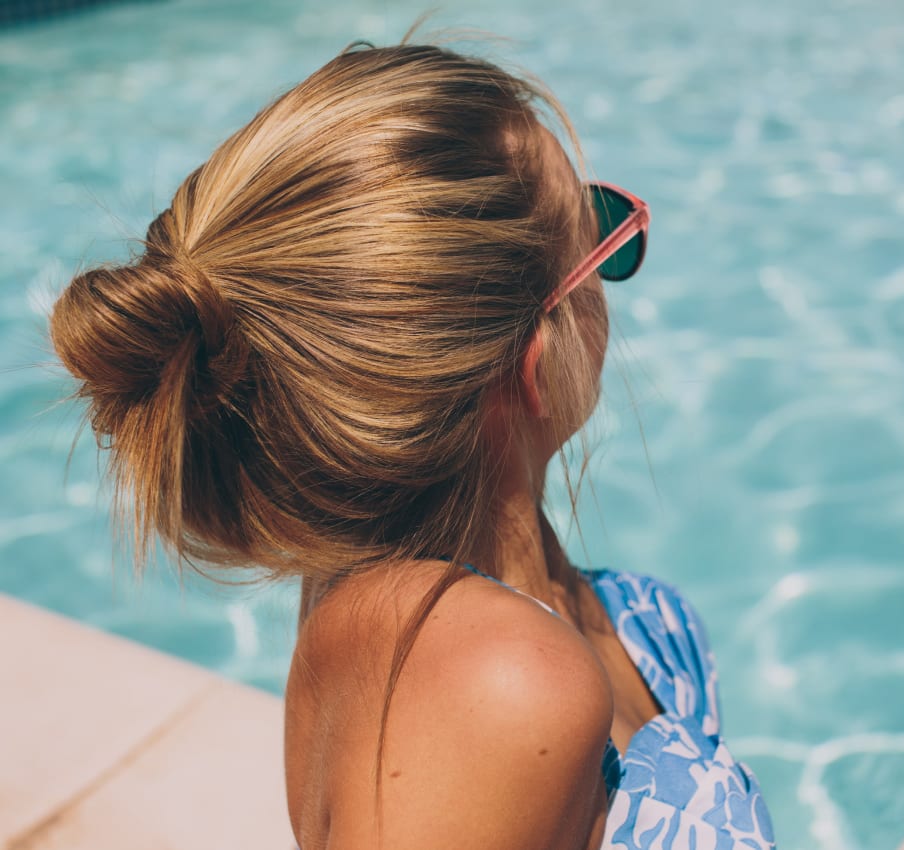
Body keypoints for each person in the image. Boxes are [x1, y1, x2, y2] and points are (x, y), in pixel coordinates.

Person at [49, 37, 776, 850]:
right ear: (538, 362)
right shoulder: (489, 679)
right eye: (602, 236)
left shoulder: (458, 606)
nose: (615, 264)